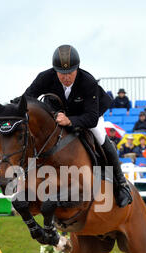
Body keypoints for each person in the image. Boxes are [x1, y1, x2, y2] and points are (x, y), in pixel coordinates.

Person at [24, 44, 132, 207]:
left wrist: (70, 121)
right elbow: (27, 98)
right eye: (61, 73)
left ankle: (121, 184)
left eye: (70, 73)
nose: (66, 77)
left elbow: (91, 119)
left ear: (77, 69)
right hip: (58, 113)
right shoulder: (45, 77)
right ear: (55, 71)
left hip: (88, 114)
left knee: (100, 137)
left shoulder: (88, 82)